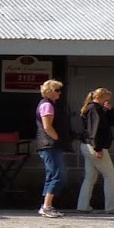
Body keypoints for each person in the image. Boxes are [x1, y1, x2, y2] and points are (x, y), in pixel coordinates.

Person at [76, 87, 114, 214]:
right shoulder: (95, 110)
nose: (107, 101)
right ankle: (111, 206)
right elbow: (95, 130)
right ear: (101, 97)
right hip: (95, 146)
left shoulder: (92, 109)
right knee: (110, 175)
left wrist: (111, 110)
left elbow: (112, 121)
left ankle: (83, 205)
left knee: (90, 177)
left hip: (87, 145)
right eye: (106, 99)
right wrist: (97, 148)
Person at [33, 79, 71, 218]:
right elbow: (47, 126)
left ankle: (47, 205)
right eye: (57, 90)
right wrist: (56, 138)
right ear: (49, 91)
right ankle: (47, 206)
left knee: (53, 174)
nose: (60, 93)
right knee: (57, 175)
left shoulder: (50, 104)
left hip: (49, 144)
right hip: (50, 145)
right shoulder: (47, 105)